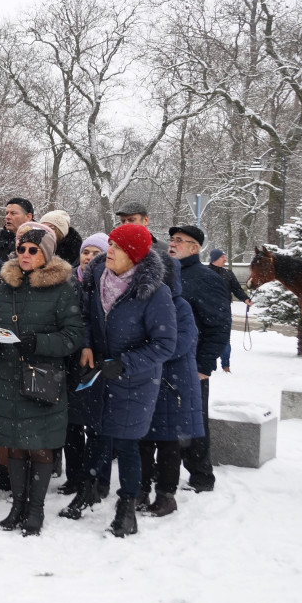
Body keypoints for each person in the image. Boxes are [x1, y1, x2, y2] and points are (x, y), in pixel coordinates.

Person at [69, 224, 176, 537]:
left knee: (127, 445)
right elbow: (86, 318)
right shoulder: (96, 278)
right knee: (95, 435)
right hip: (99, 375)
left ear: (134, 255)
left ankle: (127, 509)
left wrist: (124, 364)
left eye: (117, 247)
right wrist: (87, 345)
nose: (110, 251)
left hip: (134, 382)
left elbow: (164, 344)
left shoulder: (154, 292)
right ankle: (87, 491)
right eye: (111, 244)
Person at [0, 222, 83, 536]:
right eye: (21, 249)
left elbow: (73, 336)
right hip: (7, 377)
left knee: (40, 447)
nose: (25, 254)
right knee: (14, 445)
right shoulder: (5, 287)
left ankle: (35, 510)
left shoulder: (62, 290)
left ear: (47, 254)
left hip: (41, 379)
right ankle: (17, 507)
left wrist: (38, 343)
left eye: (33, 250)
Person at [139, 255, 204, 517]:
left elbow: (180, 343)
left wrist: (147, 352)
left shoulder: (181, 306)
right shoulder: (141, 302)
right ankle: (140, 490)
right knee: (141, 443)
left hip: (172, 385)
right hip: (146, 381)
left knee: (169, 446)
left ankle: (166, 496)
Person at [168, 224, 231, 493]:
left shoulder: (206, 278)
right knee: (167, 420)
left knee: (193, 421)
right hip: (165, 361)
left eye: (179, 240)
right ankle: (166, 470)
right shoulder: (166, 272)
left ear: (195, 248)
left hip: (192, 365)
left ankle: (201, 476)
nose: (172, 244)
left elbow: (219, 325)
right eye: (172, 239)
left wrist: (204, 365)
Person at [61, 232, 109, 497]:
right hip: (69, 360)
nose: (89, 257)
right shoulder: (67, 280)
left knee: (98, 425)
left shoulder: (106, 283)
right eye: (85, 252)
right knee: (71, 425)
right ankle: (74, 477)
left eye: (95, 253)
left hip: (96, 360)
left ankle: (97, 479)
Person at [208, 248, 252, 372]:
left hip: (224, 312)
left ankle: (226, 366)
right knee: (208, 339)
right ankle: (209, 365)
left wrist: (245, 299)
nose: (225, 259)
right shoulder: (205, 272)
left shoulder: (228, 274)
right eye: (223, 257)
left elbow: (237, 289)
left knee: (225, 339)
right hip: (207, 312)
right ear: (215, 258)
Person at [0, 198, 34, 265]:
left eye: (13, 213)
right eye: (7, 213)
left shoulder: (41, 244)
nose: (7, 217)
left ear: (28, 217)